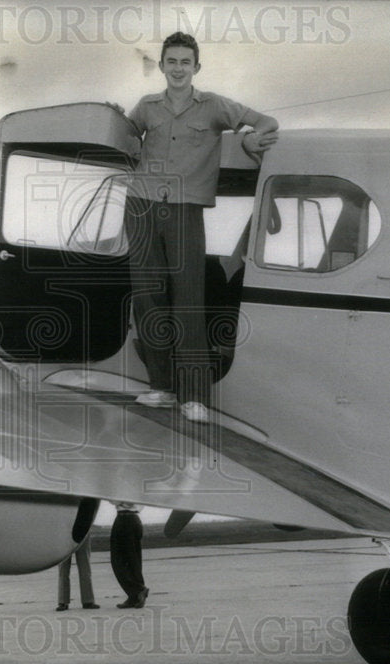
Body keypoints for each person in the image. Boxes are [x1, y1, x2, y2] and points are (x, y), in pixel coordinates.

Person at [119, 32, 278, 423]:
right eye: (171, 61)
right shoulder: (146, 107)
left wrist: (251, 142)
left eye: (184, 62)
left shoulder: (214, 107)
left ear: (196, 68)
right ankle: (161, 387)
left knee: (188, 300)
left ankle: (193, 397)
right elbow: (124, 136)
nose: (177, 68)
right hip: (140, 205)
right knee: (148, 300)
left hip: (186, 210)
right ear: (161, 66)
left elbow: (266, 122)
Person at [110, 501, 148, 608]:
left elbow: (115, 499)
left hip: (125, 519)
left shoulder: (127, 486)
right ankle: (134, 596)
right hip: (132, 518)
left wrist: (115, 497)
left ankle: (139, 589)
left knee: (119, 560)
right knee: (133, 560)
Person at [55, 536, 98, 611]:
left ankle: (63, 601)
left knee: (83, 567)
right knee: (66, 569)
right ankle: (87, 600)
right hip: (70, 532)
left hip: (73, 532)